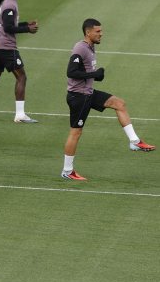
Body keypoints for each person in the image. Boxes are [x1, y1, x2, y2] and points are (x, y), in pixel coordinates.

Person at [61, 19, 155, 181]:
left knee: (119, 103)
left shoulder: (90, 47)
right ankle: (67, 171)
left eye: (101, 31)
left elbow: (84, 72)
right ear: (88, 32)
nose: (101, 34)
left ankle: (134, 141)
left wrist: (95, 76)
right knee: (76, 132)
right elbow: (71, 72)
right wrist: (94, 74)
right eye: (98, 31)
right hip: (79, 97)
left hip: (88, 93)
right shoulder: (80, 48)